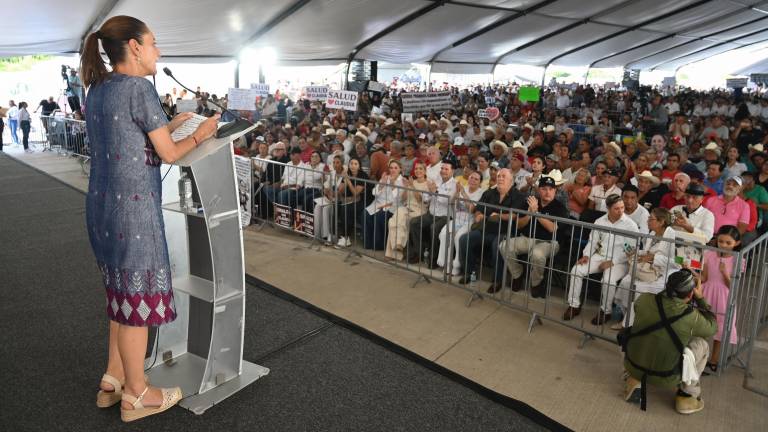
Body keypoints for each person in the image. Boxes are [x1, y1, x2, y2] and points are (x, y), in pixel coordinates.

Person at [80, 16, 219, 421]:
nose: (158, 52)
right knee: (137, 301)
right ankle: (137, 395)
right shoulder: (140, 88)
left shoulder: (99, 88)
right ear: (135, 47)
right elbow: (169, 155)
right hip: (134, 213)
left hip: (102, 208)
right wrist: (201, 133)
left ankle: (113, 378)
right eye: (154, 43)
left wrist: (168, 126)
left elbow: (130, 139)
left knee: (120, 297)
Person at [621, 269, 717, 414]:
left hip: (633, 365)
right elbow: (712, 327)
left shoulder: (644, 299)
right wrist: (701, 299)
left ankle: (633, 380)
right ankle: (687, 396)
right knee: (702, 344)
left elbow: (653, 309)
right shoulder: (691, 317)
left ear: (667, 286)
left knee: (638, 331)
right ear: (691, 294)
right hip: (667, 376)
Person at [564, 194, 640, 324]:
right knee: (576, 270)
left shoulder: (630, 225)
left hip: (620, 261)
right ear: (608, 208)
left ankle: (606, 311)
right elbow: (592, 241)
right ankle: (574, 305)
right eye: (617, 208)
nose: (621, 211)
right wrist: (586, 255)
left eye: (622, 207)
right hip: (600, 256)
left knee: (608, 280)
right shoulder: (599, 221)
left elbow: (631, 250)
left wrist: (613, 262)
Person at [499, 175, 569, 297]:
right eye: (544, 189)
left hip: (548, 242)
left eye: (551, 189)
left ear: (555, 191)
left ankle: (536, 283)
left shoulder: (560, 207)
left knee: (537, 255)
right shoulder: (530, 202)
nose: (548, 192)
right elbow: (519, 225)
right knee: (504, 245)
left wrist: (536, 213)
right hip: (527, 238)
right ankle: (517, 274)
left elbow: (552, 228)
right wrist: (529, 214)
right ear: (538, 190)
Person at [457, 168, 525, 292]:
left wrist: (497, 216)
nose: (500, 178)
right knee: (464, 239)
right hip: (487, 229)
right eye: (499, 176)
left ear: (511, 180)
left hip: (507, 232)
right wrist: (478, 215)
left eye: (503, 176)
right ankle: (469, 272)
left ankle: (497, 280)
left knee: (497, 245)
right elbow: (479, 208)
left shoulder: (518, 195)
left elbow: (513, 216)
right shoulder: (489, 193)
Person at [613, 208, 679, 329]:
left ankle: (628, 325)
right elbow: (648, 251)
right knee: (626, 282)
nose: (648, 221)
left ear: (661, 222)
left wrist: (654, 257)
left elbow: (678, 262)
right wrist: (636, 252)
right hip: (647, 268)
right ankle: (626, 317)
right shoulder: (653, 233)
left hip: (664, 272)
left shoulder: (673, 235)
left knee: (636, 288)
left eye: (651, 219)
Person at [407, 162, 456, 267]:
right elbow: (426, 199)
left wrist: (435, 192)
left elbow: (449, 201)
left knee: (434, 228)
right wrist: (429, 193)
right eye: (442, 168)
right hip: (431, 213)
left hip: (445, 216)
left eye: (446, 169)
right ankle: (418, 252)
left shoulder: (454, 185)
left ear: (452, 171)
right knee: (414, 222)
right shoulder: (436, 181)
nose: (443, 171)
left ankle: (433, 260)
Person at [436, 170, 485, 275]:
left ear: (480, 182)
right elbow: (452, 204)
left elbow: (472, 209)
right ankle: (446, 263)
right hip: (457, 218)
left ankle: (457, 264)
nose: (473, 180)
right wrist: (456, 194)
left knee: (458, 237)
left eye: (476, 179)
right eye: (471, 177)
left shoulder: (481, 193)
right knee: (444, 234)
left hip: (470, 221)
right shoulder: (463, 188)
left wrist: (463, 193)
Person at [385, 161, 429, 260]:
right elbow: (404, 199)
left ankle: (395, 251)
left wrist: (412, 186)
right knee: (393, 220)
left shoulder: (427, 184)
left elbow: (420, 200)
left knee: (395, 220)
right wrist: (406, 187)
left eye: (420, 169)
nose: (418, 171)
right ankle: (397, 246)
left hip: (419, 211)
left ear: (425, 171)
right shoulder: (411, 182)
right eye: (416, 169)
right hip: (407, 208)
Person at [363, 160, 405, 250]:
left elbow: (397, 198)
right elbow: (374, 192)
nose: (393, 170)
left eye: (395, 168)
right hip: (378, 203)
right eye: (391, 168)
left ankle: (378, 245)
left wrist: (393, 184)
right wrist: (382, 184)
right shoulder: (385, 178)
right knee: (365, 213)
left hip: (392, 206)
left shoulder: (402, 181)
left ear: (400, 169)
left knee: (380, 216)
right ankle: (368, 243)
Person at [336, 158, 370, 247]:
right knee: (338, 206)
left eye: (355, 164)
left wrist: (348, 181)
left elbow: (356, 193)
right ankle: (337, 235)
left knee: (348, 209)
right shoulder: (348, 174)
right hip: (349, 200)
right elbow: (340, 191)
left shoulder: (362, 175)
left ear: (359, 166)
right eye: (351, 163)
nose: (353, 166)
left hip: (363, 201)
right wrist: (344, 180)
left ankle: (345, 236)